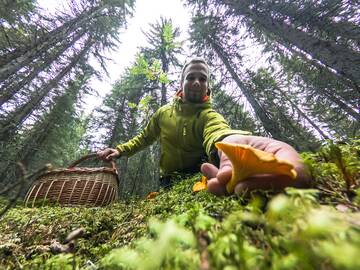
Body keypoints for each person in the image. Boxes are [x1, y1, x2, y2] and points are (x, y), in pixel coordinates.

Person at [97, 57, 310, 195]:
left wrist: (232, 145)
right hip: (167, 179)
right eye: (191, 77)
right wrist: (120, 150)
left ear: (208, 86)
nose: (197, 82)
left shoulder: (207, 115)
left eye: (202, 78)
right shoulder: (163, 113)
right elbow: (144, 138)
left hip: (194, 176)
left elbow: (218, 132)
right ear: (181, 83)